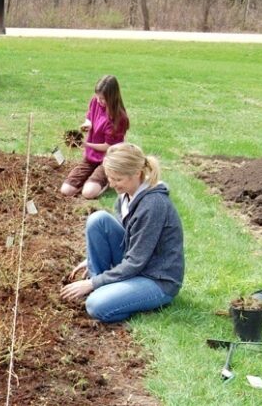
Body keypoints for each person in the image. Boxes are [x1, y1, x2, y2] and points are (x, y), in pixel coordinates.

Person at [60, 143, 184, 323]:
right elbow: (124, 237)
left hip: (157, 279)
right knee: (98, 220)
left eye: (117, 179)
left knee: (96, 306)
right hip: (138, 265)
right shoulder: (126, 195)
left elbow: (134, 263)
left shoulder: (153, 206)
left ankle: (109, 295)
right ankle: (108, 289)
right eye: (110, 178)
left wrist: (91, 284)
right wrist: (90, 260)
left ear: (136, 174)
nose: (112, 184)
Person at [60, 75, 130, 199]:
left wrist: (86, 144)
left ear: (112, 97)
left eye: (102, 99)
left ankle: (108, 179)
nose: (98, 101)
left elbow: (108, 147)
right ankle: (91, 179)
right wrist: (87, 124)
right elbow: (90, 116)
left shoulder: (119, 118)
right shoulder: (95, 101)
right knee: (66, 190)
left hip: (108, 159)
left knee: (88, 193)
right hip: (91, 157)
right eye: (97, 97)